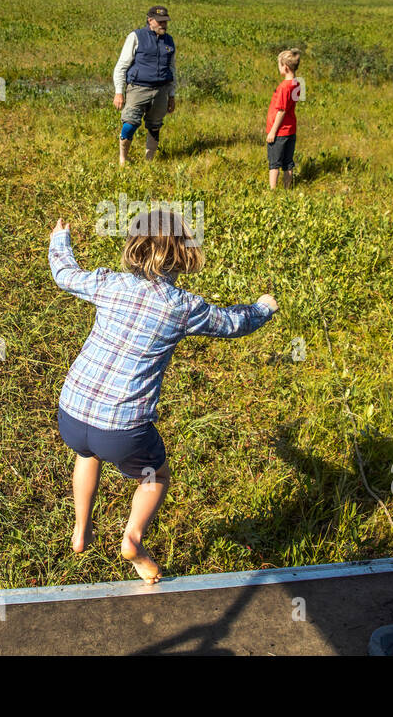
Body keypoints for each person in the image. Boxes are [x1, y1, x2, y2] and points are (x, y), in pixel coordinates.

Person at [48, 209, 277, 583]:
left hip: (72, 410)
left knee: (85, 454)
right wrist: (263, 308)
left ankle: (81, 529)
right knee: (156, 477)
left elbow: (65, 274)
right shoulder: (184, 307)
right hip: (124, 428)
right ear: (184, 255)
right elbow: (234, 323)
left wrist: (60, 240)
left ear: (133, 249)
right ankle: (133, 539)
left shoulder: (110, 283)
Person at [113, 5, 176, 167]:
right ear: (150, 21)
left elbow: (172, 69)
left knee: (155, 126)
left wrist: (172, 95)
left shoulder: (169, 41)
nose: (163, 25)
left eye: (165, 22)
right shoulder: (136, 36)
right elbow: (121, 66)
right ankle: (123, 160)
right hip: (137, 88)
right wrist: (119, 92)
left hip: (161, 90)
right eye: (160, 21)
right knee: (130, 123)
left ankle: (149, 163)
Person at [266, 49, 300, 189]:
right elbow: (297, 100)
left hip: (280, 132)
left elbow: (281, 110)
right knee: (288, 163)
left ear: (285, 67)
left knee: (274, 164)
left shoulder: (283, 87)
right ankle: (287, 189)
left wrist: (273, 131)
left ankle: (272, 191)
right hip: (291, 130)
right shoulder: (298, 82)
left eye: (279, 66)